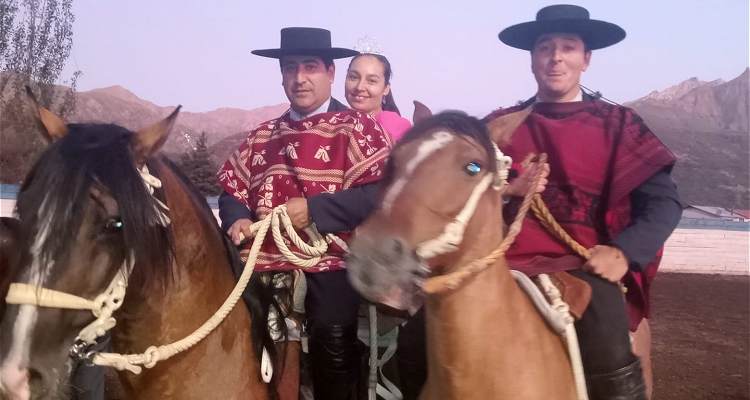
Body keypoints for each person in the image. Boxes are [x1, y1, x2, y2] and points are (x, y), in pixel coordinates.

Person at [395, 5, 682, 400]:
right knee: (410, 347)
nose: (556, 57)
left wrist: (622, 253)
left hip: (580, 267)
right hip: (495, 265)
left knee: (608, 344)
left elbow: (664, 205)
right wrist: (508, 189)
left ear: (586, 59)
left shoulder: (620, 124)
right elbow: (460, 192)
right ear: (532, 59)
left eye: (568, 47)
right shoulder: (498, 125)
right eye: (545, 47)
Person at [216, 27, 392, 400]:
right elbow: (232, 190)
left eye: (309, 67)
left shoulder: (358, 128)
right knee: (224, 319)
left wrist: (314, 209)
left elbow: (381, 191)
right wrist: (236, 218)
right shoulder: (262, 135)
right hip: (260, 255)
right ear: (281, 75)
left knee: (330, 331)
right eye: (290, 68)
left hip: (332, 254)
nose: (299, 78)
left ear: (329, 73)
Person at [345, 38, 411, 141]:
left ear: (386, 88)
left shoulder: (394, 127)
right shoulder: (335, 119)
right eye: (353, 77)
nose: (359, 87)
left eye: (371, 80)